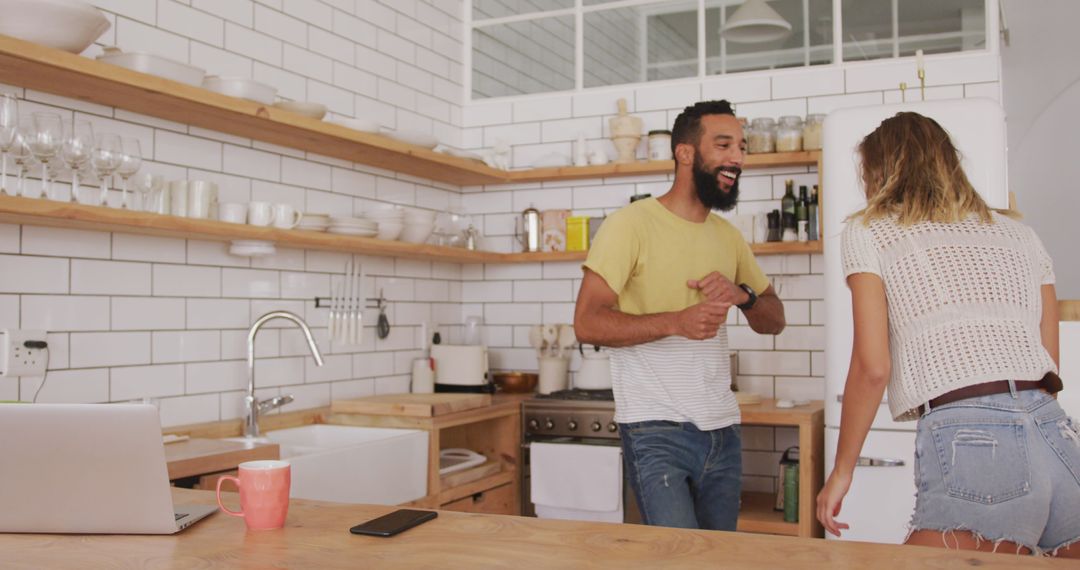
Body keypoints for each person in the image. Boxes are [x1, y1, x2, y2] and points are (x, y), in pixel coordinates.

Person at [817, 111, 1079, 558]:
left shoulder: (869, 231)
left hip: (975, 442)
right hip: (1057, 436)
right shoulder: (1021, 234)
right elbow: (1048, 362)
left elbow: (872, 367)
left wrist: (842, 471)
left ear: (879, 172)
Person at [573, 100, 786, 530]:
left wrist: (742, 296)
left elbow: (774, 318)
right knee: (676, 558)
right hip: (654, 430)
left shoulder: (728, 237)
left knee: (719, 559)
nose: (737, 158)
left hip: (722, 430)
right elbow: (588, 322)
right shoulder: (630, 225)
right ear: (685, 153)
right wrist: (676, 321)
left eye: (741, 148)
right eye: (723, 145)